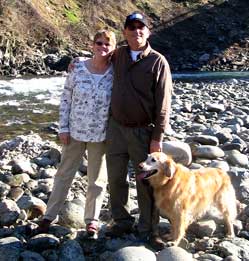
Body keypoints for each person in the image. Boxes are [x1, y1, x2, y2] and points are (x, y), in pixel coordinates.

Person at [37, 29, 116, 237]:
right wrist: (63, 127)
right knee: (64, 175)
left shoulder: (116, 72)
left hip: (101, 134)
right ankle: (49, 216)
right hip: (74, 131)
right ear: (93, 45)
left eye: (107, 44)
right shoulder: (78, 68)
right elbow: (66, 98)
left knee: (97, 180)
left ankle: (92, 220)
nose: (103, 47)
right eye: (99, 43)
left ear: (114, 48)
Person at [105, 11, 172, 249]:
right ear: (125, 32)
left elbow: (164, 105)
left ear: (148, 31)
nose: (137, 31)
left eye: (141, 27)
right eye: (131, 27)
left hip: (143, 131)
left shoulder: (157, 61)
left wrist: (157, 139)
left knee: (146, 183)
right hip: (115, 129)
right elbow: (98, 57)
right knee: (115, 178)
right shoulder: (119, 55)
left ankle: (149, 228)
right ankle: (121, 220)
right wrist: (76, 63)